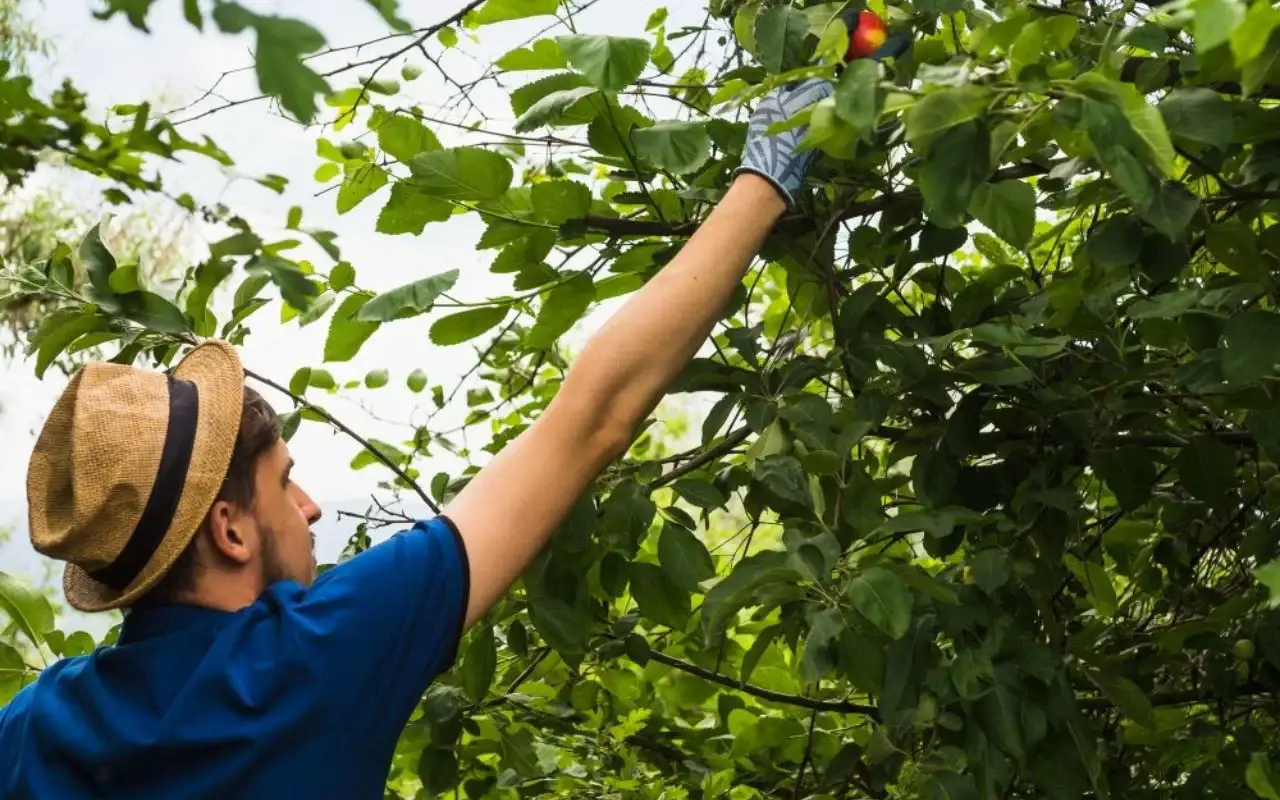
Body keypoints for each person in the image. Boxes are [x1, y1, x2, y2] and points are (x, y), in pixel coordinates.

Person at [0, 77, 835, 798]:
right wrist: (766, 176)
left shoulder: (34, 727)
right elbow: (593, 415)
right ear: (229, 528)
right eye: (283, 481)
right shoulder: (314, 659)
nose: (311, 506)